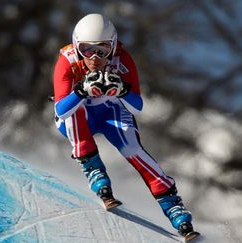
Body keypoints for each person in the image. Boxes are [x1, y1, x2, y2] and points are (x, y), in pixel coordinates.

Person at [52, 13, 196, 237]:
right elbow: (60, 109)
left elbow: (137, 107)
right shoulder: (68, 59)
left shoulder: (123, 59)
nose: (95, 57)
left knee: (132, 148)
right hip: (78, 117)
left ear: (113, 47)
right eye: (87, 49)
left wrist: (123, 90)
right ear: (77, 46)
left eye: (103, 50)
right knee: (75, 111)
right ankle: (92, 167)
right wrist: (81, 91)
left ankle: (172, 204)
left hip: (109, 111)